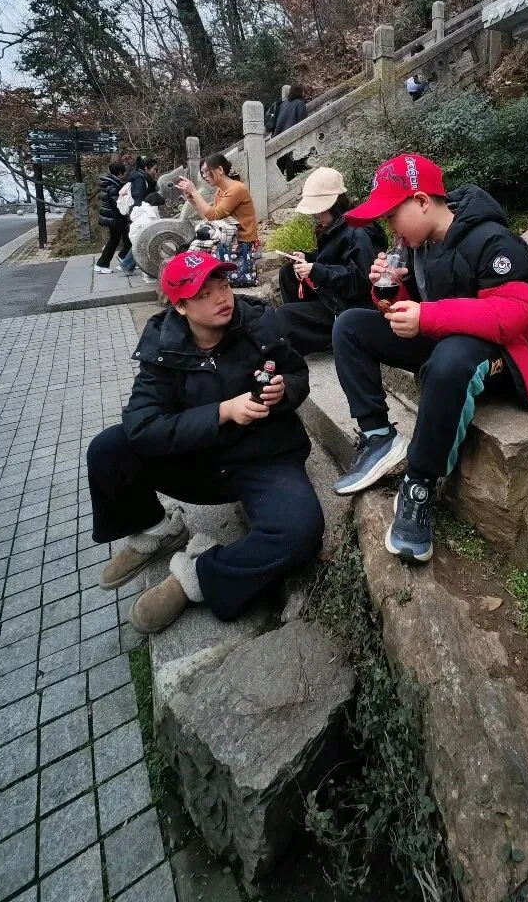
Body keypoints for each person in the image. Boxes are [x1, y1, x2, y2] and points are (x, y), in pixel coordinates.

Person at [330, 153, 528, 564]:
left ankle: (419, 484)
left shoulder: (494, 240)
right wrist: (390, 288)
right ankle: (378, 436)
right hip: (451, 337)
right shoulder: (418, 245)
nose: (390, 228)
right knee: (350, 325)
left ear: (422, 201)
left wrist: (426, 317)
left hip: (511, 351)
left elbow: (514, 314)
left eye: (392, 216)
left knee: (450, 359)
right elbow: (419, 306)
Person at [85, 249, 323, 634]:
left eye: (224, 285)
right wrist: (222, 412)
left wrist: (285, 391)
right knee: (109, 448)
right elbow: (143, 425)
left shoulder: (259, 322)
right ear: (180, 306)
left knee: (299, 531)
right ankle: (156, 532)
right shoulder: (163, 345)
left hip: (265, 457)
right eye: (204, 294)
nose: (222, 298)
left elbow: (297, 373)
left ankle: (195, 577)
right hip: (200, 462)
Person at [273, 167, 387, 355]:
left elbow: (359, 282)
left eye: (319, 210)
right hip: (332, 295)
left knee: (284, 315)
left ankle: (327, 335)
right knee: (288, 272)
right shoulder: (338, 225)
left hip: (347, 306)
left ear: (335, 204)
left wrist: (317, 270)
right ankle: (306, 328)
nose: (315, 215)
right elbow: (331, 258)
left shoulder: (359, 232)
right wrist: (307, 259)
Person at [176, 153, 258, 287]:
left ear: (220, 170)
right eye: (202, 172)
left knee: (192, 249)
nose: (205, 176)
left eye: (206, 171)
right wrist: (193, 200)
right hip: (227, 238)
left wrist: (195, 192)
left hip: (240, 241)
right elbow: (211, 218)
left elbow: (214, 215)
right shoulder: (220, 191)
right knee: (188, 247)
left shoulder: (237, 189)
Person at [119, 156, 160, 273]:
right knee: (143, 239)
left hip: (143, 212)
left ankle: (127, 263)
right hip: (142, 213)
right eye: (155, 169)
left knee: (142, 238)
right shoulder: (140, 180)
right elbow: (138, 199)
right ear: (146, 168)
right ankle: (126, 263)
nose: (156, 172)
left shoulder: (143, 178)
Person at [94, 160, 131, 274]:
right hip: (115, 218)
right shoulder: (113, 185)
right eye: (124, 172)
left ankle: (124, 257)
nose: (125, 174)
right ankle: (101, 264)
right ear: (120, 172)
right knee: (114, 241)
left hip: (116, 217)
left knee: (127, 239)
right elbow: (117, 203)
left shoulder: (111, 183)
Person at [274, 85, 307, 180]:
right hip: (292, 136)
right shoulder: (300, 104)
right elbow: (303, 122)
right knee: (292, 162)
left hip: (280, 136)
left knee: (281, 163)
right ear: (300, 92)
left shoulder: (284, 104)